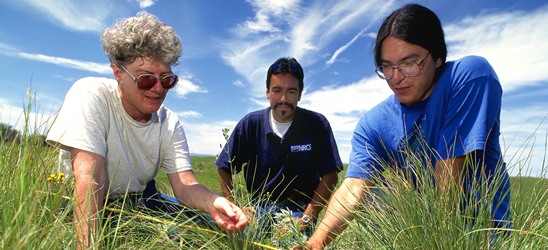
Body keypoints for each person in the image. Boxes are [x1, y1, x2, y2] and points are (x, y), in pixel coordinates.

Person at [302, 4, 511, 249]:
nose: (396, 77)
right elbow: (354, 188)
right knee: (375, 197)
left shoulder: (469, 77)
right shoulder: (372, 124)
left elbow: (448, 179)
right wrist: (316, 242)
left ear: (438, 58)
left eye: (409, 63)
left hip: (483, 235)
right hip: (420, 232)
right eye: (386, 66)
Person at [46, 12, 247, 249]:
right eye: (146, 79)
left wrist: (214, 202)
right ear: (118, 72)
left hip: (142, 199)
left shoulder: (170, 122)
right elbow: (90, 177)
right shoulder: (90, 94)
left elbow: (184, 185)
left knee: (207, 232)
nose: (158, 89)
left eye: (167, 79)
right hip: (84, 200)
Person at [215, 57, 343, 235]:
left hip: (299, 210)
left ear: (299, 94)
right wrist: (236, 208)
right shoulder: (251, 124)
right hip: (258, 208)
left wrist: (305, 220)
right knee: (232, 235)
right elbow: (224, 167)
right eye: (277, 90)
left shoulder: (316, 124)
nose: (284, 98)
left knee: (293, 244)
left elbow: (330, 176)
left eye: (291, 91)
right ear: (267, 92)